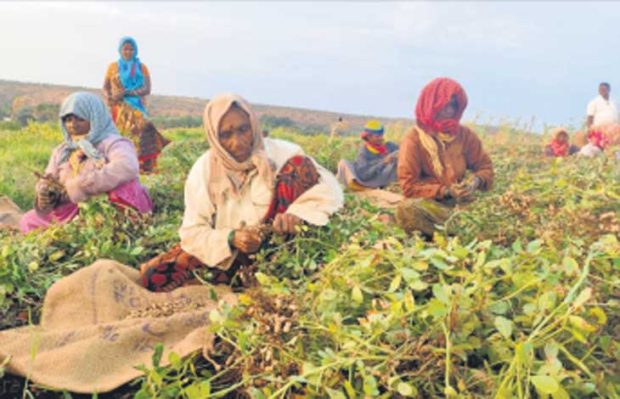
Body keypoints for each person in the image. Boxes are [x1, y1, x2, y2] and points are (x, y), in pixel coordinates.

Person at [140, 94, 343, 292]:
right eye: (226, 135)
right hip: (232, 256)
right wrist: (230, 238)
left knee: (301, 166)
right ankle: (243, 279)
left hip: (280, 247)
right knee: (155, 275)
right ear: (213, 136)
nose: (237, 142)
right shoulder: (204, 170)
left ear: (253, 126)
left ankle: (274, 272)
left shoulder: (282, 153)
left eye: (243, 129)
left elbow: (329, 188)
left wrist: (298, 213)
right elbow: (192, 232)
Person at [19, 92, 153, 233]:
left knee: (122, 191)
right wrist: (44, 192)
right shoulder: (62, 150)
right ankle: (71, 229)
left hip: (104, 206)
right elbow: (48, 176)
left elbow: (126, 166)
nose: (73, 125)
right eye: (68, 120)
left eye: (80, 119)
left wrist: (82, 185)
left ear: (95, 118)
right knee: (28, 220)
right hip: (71, 210)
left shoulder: (113, 143)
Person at [396, 78, 494, 237]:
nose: (450, 110)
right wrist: (446, 191)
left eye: (454, 105)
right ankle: (457, 234)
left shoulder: (465, 135)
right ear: (431, 104)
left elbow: (485, 167)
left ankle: (459, 231)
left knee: (490, 213)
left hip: (461, 205)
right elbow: (409, 186)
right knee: (407, 210)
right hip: (431, 205)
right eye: (445, 105)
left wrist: (474, 183)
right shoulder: (413, 140)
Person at [103, 36, 169, 173]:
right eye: (125, 49)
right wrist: (109, 98)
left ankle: (145, 165)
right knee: (121, 135)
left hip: (136, 106)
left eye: (131, 49)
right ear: (120, 50)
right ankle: (122, 164)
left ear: (136, 50)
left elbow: (147, 89)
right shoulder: (113, 67)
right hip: (118, 108)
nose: (128, 52)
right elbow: (105, 87)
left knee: (143, 130)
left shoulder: (141, 67)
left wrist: (126, 93)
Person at [336, 120, 399, 190]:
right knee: (343, 163)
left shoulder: (390, 145)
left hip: (385, 176)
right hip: (370, 179)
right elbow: (364, 175)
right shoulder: (364, 152)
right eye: (377, 136)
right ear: (369, 137)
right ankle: (360, 186)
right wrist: (383, 162)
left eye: (381, 135)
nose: (381, 138)